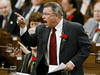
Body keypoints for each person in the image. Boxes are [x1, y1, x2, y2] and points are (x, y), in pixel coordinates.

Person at [15, 2, 91, 75]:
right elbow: (29, 41)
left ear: (56, 16)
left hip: (68, 72)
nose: (43, 17)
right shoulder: (41, 29)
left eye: (46, 14)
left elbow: (86, 47)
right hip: (46, 72)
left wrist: (73, 62)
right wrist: (23, 27)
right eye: (43, 13)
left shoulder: (75, 28)